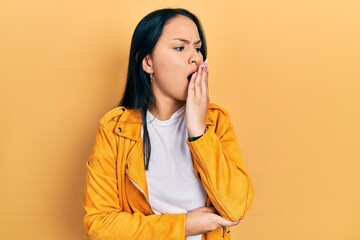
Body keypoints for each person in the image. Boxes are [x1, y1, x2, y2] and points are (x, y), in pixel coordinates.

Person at [83, 8, 254, 240]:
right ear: (148, 63)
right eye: (180, 47)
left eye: (197, 47)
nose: (195, 57)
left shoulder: (216, 122)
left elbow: (237, 206)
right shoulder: (115, 129)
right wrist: (184, 226)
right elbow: (99, 224)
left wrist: (198, 131)